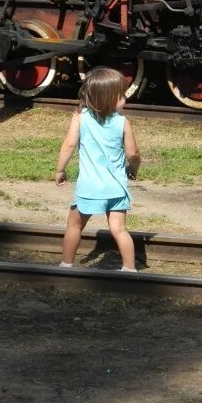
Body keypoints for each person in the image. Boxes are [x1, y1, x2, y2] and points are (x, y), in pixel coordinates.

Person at [56, 67, 141, 271]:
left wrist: (60, 169)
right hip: (116, 187)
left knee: (74, 225)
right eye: (121, 94)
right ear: (108, 98)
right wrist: (134, 169)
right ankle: (129, 269)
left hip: (89, 187)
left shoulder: (80, 117)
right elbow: (133, 154)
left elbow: (69, 145)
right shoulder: (123, 123)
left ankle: (66, 265)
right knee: (119, 229)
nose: (125, 98)